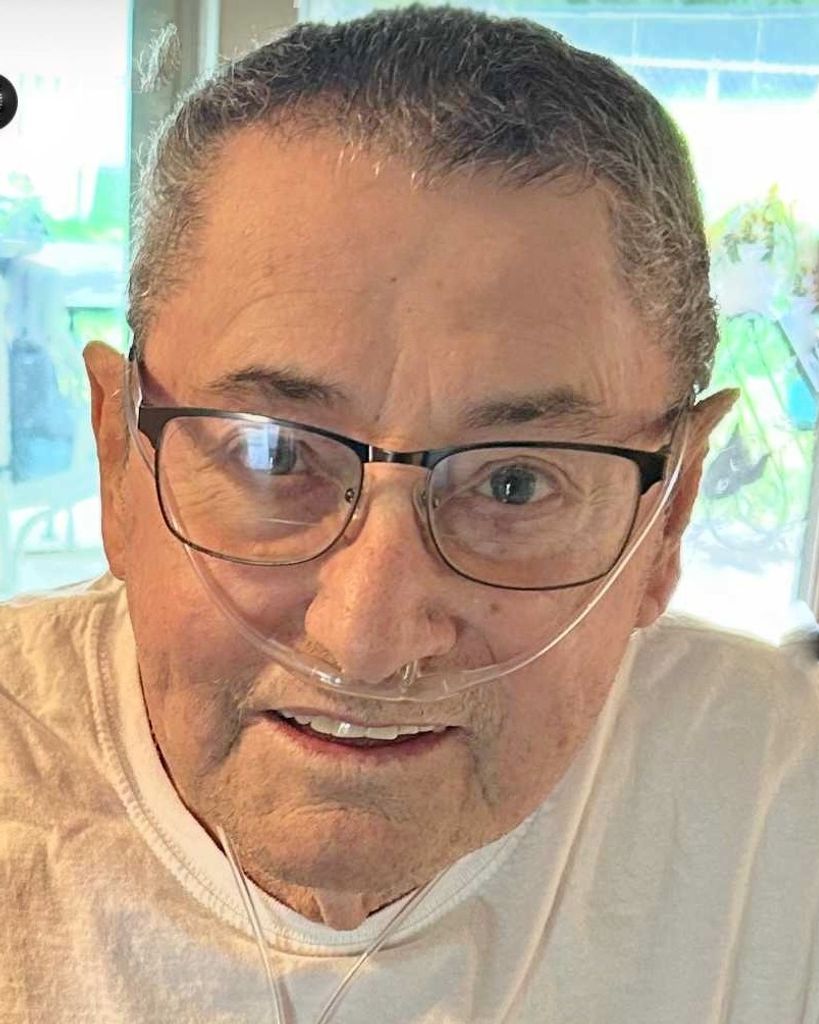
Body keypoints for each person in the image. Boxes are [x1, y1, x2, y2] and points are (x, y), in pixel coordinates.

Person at [2, 6, 817, 1022]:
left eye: (514, 483)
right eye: (273, 453)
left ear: (669, 516)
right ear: (120, 460)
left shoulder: (783, 807)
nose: (367, 640)